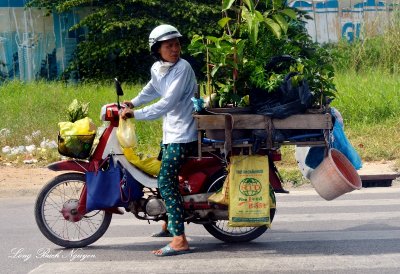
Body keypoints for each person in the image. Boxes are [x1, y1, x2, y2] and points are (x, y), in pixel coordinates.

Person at [121, 24, 198, 256]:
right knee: (165, 177)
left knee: (165, 182)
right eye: (169, 45)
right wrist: (132, 102)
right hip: (170, 133)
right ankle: (168, 224)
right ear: (157, 49)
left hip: (183, 134)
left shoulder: (183, 68)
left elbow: (168, 103)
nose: (175, 49)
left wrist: (137, 114)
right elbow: (152, 89)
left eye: (177, 44)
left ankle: (180, 240)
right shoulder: (159, 68)